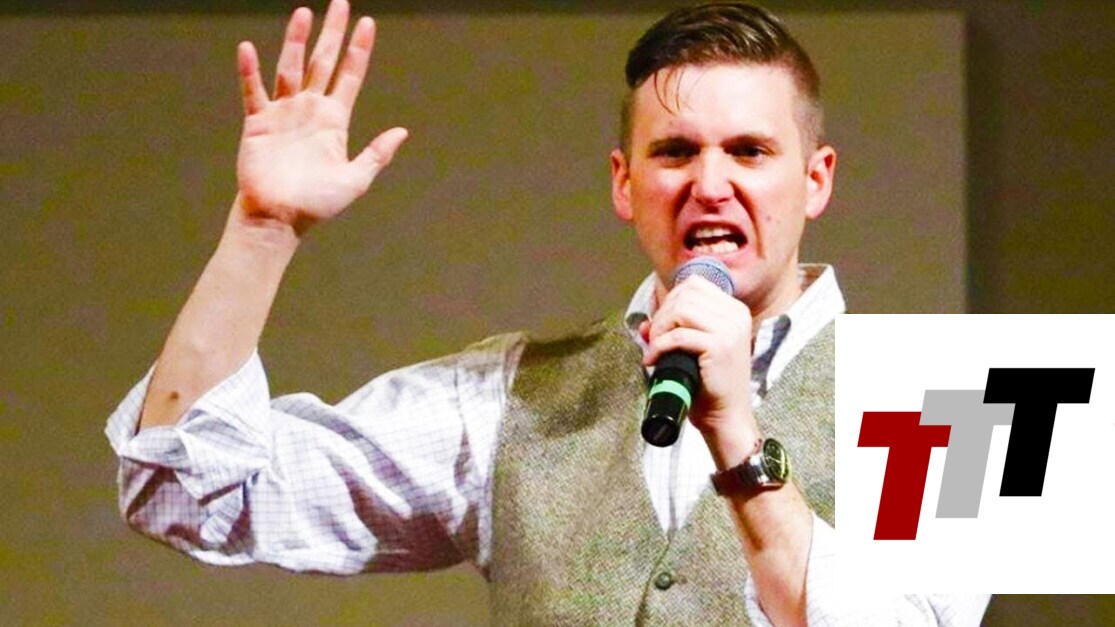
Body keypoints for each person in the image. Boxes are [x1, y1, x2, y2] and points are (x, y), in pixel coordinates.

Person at [106, 1, 989, 624]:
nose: (709, 183)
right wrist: (260, 232)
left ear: (816, 179)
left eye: (749, 150)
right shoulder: (510, 398)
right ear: (624, 183)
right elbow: (181, 490)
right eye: (674, 151)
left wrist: (736, 436)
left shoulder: (968, 397)